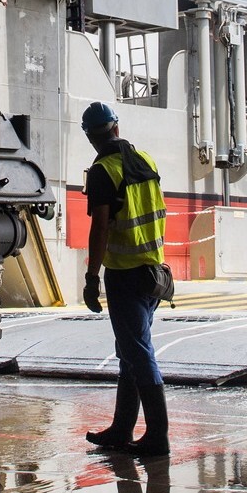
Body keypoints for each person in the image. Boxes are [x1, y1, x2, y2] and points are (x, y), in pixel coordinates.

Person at [81, 101, 170, 457]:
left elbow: (100, 227)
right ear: (116, 128)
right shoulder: (145, 159)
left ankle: (157, 435)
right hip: (154, 273)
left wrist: (91, 277)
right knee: (129, 352)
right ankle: (121, 429)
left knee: (138, 352)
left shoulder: (103, 171)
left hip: (125, 274)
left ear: (91, 137)